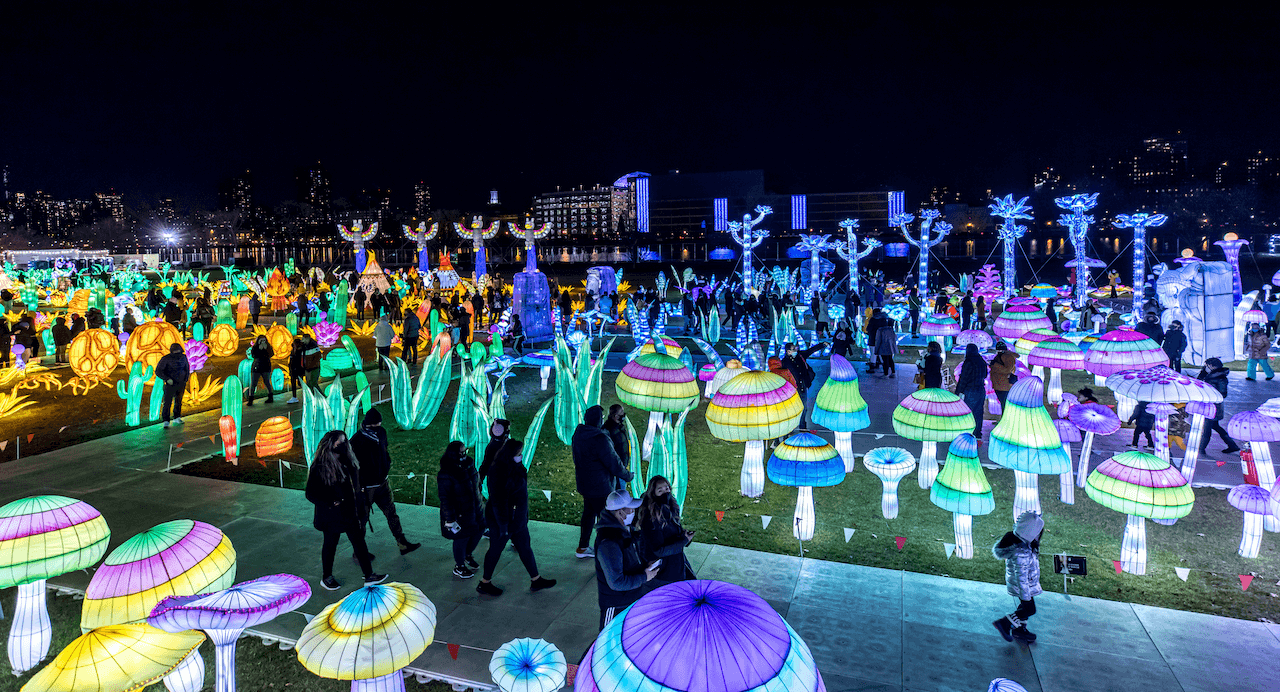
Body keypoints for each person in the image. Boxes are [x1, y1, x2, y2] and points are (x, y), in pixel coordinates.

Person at [305, 430, 386, 591]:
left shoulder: (348, 461)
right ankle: (326, 576)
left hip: (350, 512)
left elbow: (355, 484)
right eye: (340, 442)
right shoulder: (320, 466)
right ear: (331, 444)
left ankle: (369, 575)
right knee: (330, 545)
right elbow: (310, 493)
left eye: (344, 441)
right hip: (331, 516)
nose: (344, 445)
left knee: (359, 542)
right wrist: (329, 502)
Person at [476, 438, 556, 596]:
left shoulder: (515, 467)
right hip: (503, 520)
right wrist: (504, 525)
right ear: (510, 454)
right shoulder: (498, 471)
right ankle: (485, 582)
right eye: (519, 453)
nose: (521, 455)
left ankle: (536, 579)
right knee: (495, 550)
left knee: (525, 548)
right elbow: (499, 501)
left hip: (517, 519)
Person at [351, 409, 421, 556]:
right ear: (368, 424)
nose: (378, 426)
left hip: (382, 483)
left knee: (392, 513)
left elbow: (385, 450)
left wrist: (386, 464)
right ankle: (359, 551)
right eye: (376, 423)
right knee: (362, 519)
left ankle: (402, 543)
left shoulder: (381, 433)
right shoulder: (356, 441)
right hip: (366, 488)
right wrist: (360, 484)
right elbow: (352, 465)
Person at [593, 489, 660, 629]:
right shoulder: (609, 543)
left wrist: (644, 566)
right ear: (620, 512)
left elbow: (629, 559)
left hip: (631, 599)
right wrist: (644, 576)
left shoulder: (623, 530)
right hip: (616, 605)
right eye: (631, 510)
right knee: (607, 644)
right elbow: (616, 582)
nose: (633, 512)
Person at [572, 405, 633, 558]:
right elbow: (613, 463)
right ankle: (606, 553)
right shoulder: (600, 439)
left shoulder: (579, 434)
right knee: (608, 520)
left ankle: (583, 547)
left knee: (588, 515)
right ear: (599, 420)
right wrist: (627, 476)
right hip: (601, 486)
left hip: (585, 484)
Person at [992, 511, 1043, 643]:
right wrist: (1026, 595)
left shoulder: (1024, 546)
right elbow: (1021, 577)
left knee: (1025, 608)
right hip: (1022, 587)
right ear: (1030, 533)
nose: (1039, 536)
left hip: (1025, 586)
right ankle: (1004, 623)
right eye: (1038, 533)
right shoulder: (1021, 552)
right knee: (1030, 609)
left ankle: (1019, 629)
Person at [637, 475, 695, 585]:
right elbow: (659, 550)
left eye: (667, 488)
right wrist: (684, 541)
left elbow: (674, 536)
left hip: (677, 564)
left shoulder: (671, 509)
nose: (665, 492)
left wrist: (685, 537)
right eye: (660, 490)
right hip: (664, 572)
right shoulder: (650, 519)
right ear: (653, 494)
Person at [437, 441, 483, 579]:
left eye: (465, 451)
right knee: (461, 538)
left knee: (478, 531)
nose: (464, 454)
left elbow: (477, 484)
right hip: (460, 513)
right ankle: (459, 565)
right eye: (460, 452)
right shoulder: (446, 473)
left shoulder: (469, 465)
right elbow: (445, 498)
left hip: (475, 509)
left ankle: (467, 555)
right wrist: (450, 519)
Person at [1197, 358, 1241, 454]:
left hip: (1213, 407)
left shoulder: (1220, 378)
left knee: (1207, 429)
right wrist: (1202, 374)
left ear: (1212, 366)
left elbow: (1223, 394)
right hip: (1209, 406)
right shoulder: (1209, 375)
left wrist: (1209, 394)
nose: (1206, 367)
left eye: (1207, 365)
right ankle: (1232, 445)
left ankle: (1201, 449)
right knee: (1215, 426)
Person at [782, 342, 824, 428]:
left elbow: (810, 350)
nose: (796, 350)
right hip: (792, 389)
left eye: (795, 348)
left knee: (804, 407)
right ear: (788, 351)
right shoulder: (784, 362)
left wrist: (822, 345)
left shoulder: (800, 356)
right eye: (793, 349)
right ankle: (790, 426)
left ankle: (802, 426)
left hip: (802, 386)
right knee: (792, 408)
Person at [955, 343, 988, 438]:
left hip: (970, 390)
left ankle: (967, 431)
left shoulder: (968, 362)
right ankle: (977, 432)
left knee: (968, 411)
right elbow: (985, 375)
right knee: (979, 411)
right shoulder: (982, 361)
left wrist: (958, 391)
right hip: (981, 389)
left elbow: (964, 378)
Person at [155, 343, 189, 427]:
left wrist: (185, 379)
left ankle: (177, 417)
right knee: (167, 402)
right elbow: (158, 371)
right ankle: (166, 420)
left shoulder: (183, 357)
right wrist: (167, 379)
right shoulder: (166, 359)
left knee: (178, 401)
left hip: (181, 383)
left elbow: (187, 368)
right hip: (170, 384)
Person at [246, 335, 274, 405]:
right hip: (257, 367)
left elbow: (271, 354)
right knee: (253, 383)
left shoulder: (268, 347)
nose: (262, 342)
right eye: (261, 341)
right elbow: (253, 355)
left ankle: (270, 396)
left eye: (264, 340)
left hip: (266, 367)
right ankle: (251, 399)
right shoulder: (255, 347)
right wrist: (259, 349)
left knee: (267, 382)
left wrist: (265, 349)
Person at [602, 404, 630, 472]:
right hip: (617, 470)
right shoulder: (608, 431)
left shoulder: (619, 426)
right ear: (616, 416)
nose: (623, 415)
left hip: (621, 467)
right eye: (622, 413)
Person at [989, 342, 1018, 411]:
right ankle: (1004, 420)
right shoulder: (1002, 356)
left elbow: (1008, 370)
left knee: (1005, 405)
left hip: (1004, 385)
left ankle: (1006, 420)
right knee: (1004, 404)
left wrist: (994, 365)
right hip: (1000, 384)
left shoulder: (1007, 356)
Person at [287, 337, 305, 404]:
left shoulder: (300, 351)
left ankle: (305, 394)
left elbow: (298, 360)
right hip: (293, 368)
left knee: (300, 383)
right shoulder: (293, 350)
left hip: (298, 368)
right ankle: (294, 397)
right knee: (294, 382)